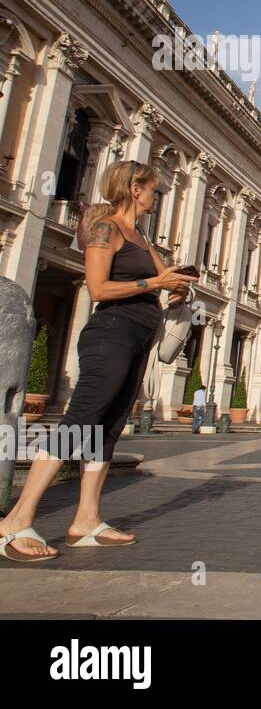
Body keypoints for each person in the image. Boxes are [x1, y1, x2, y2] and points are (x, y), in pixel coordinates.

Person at [0, 162, 196, 561]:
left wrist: (176, 288)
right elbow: (98, 287)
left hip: (140, 336)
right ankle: (14, 521)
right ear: (134, 187)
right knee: (80, 421)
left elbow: (164, 277)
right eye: (153, 190)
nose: (156, 197)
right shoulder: (104, 227)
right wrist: (155, 283)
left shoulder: (140, 236)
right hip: (111, 334)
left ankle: (86, 520)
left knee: (108, 428)